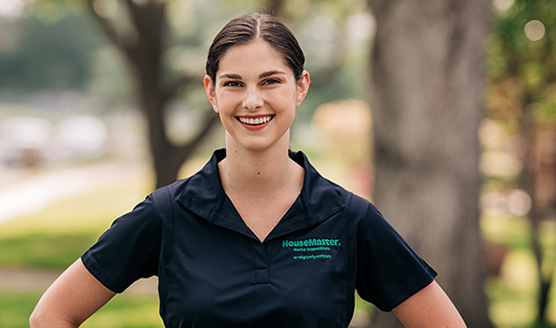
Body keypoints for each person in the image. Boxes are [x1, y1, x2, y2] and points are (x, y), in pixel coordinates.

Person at [30, 12, 467, 328]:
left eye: (271, 81)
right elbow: (51, 315)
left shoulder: (349, 218)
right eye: (234, 83)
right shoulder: (167, 214)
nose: (252, 101)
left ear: (300, 87)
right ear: (211, 92)